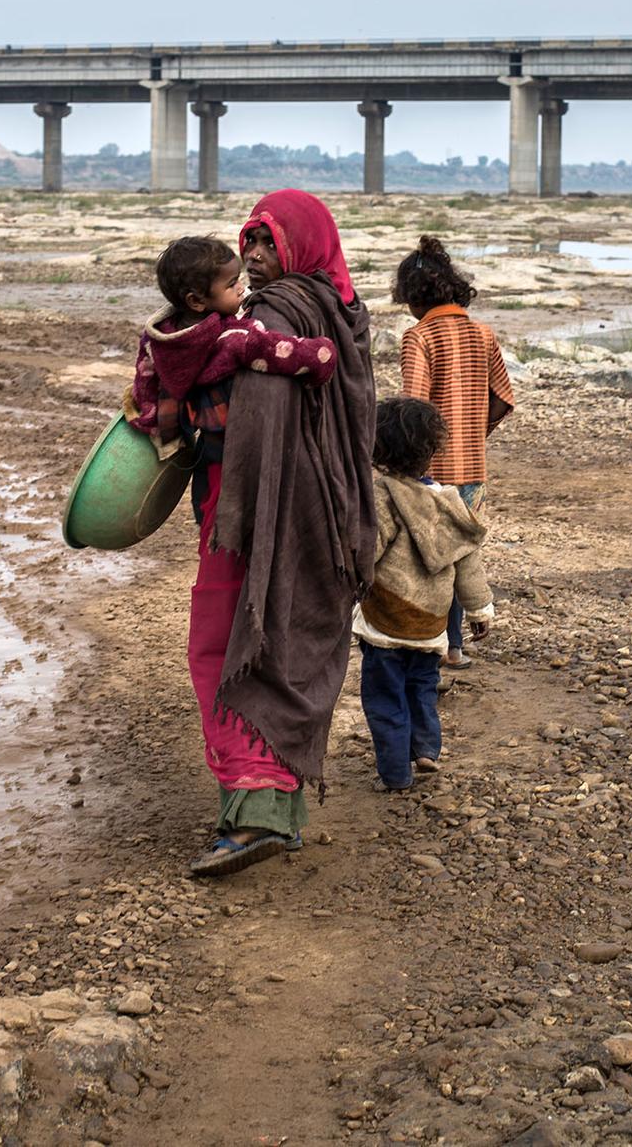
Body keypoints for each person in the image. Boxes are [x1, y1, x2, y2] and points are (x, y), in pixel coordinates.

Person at [184, 189, 376, 877]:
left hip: (259, 519)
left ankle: (257, 810)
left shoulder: (273, 313)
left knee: (231, 644)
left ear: (300, 242)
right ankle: (276, 810)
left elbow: (259, 428)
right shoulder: (344, 309)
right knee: (291, 646)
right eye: (249, 242)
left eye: (268, 242)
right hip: (330, 513)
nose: (255, 257)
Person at [125, 235, 339, 506]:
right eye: (230, 284)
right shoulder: (234, 339)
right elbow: (284, 352)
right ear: (196, 301)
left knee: (208, 502)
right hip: (235, 443)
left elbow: (144, 382)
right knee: (229, 506)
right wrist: (324, 352)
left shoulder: (157, 337)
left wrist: (152, 421)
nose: (241, 288)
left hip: (202, 442)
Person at [355, 397, 494, 791]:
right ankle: (426, 751)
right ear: (432, 452)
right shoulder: (449, 502)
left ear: (378, 450)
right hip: (432, 625)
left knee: (384, 698)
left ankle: (396, 773)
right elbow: (468, 561)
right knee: (421, 688)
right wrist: (480, 609)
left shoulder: (382, 498)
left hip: (386, 622)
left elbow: (365, 556)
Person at [394, 234, 512, 669]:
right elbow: (503, 396)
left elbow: (414, 407)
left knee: (429, 560)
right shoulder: (483, 333)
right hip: (473, 467)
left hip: (430, 468)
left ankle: (435, 647)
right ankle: (456, 648)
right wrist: (474, 431)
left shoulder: (418, 337)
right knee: (463, 552)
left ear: (411, 297)